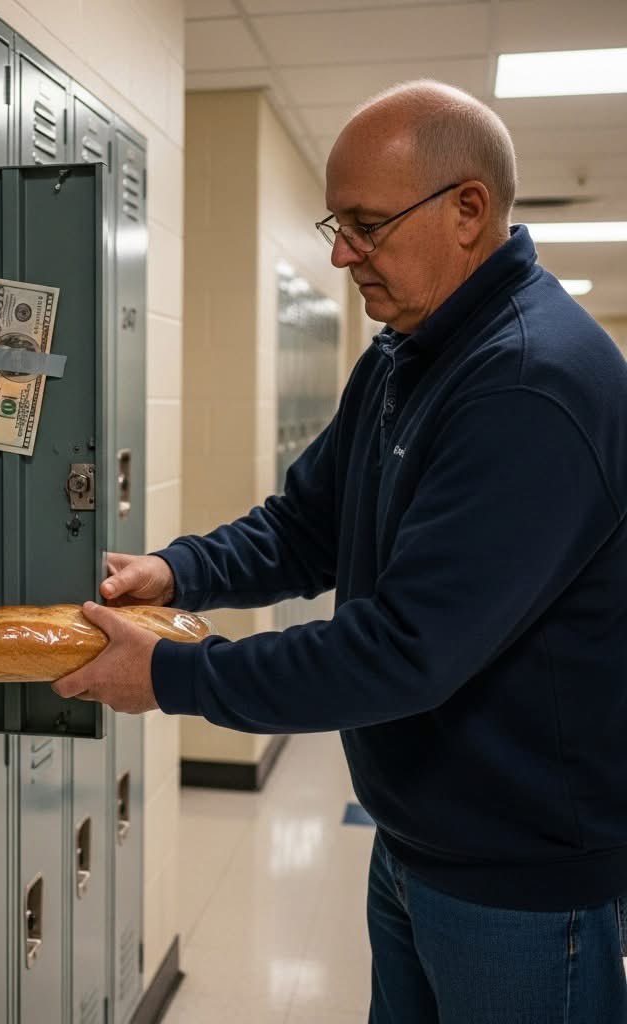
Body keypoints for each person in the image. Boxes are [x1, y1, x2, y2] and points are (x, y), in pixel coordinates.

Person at [52, 80, 627, 1023]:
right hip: (417, 844)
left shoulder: (529, 385)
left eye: (366, 226)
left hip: (519, 883)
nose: (340, 253)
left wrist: (171, 675)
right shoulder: (405, 355)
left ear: (468, 211)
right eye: (336, 224)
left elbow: (403, 649)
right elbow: (308, 525)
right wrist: (178, 571)